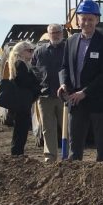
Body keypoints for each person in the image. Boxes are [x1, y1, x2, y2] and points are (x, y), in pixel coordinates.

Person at [58, 0, 103, 161]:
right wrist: (63, 83)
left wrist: (85, 92)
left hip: (98, 100)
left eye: (91, 19)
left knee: (102, 146)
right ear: (78, 20)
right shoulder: (70, 41)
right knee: (74, 146)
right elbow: (64, 67)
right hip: (75, 101)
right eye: (84, 18)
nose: (87, 22)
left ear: (97, 20)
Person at [32, 24, 66, 162]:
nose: (55, 35)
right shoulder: (40, 52)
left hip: (64, 95)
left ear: (62, 33)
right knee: (48, 127)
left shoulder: (68, 49)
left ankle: (68, 155)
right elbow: (33, 69)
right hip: (45, 95)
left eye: (58, 32)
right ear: (48, 34)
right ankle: (50, 156)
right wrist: (40, 84)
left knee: (67, 127)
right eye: (53, 33)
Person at [7, 41, 40, 156]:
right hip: (21, 104)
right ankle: (17, 154)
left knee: (20, 129)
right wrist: (37, 85)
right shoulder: (20, 65)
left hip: (19, 103)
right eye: (29, 50)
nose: (32, 53)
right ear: (21, 52)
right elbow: (25, 82)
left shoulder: (18, 64)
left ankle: (17, 153)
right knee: (21, 130)